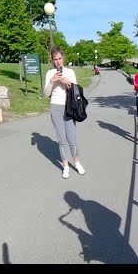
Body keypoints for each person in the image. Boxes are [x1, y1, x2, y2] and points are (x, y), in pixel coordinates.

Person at [43, 46, 86, 179]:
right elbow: (45, 94)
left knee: (71, 138)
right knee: (61, 139)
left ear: (63, 58)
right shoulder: (50, 73)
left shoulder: (70, 72)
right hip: (55, 107)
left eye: (60, 58)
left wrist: (68, 83)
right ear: (52, 60)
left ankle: (77, 163)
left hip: (68, 107)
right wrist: (52, 81)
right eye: (55, 59)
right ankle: (66, 166)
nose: (58, 62)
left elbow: (76, 91)